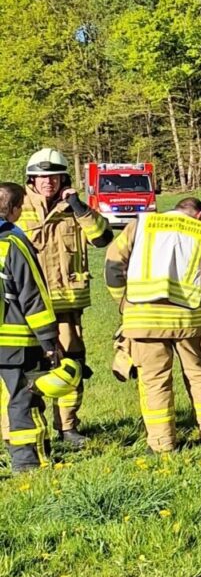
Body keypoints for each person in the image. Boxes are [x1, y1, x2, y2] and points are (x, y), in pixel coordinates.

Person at [104, 197, 201, 452]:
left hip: (143, 321)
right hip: (189, 321)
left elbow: (112, 266)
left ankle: (162, 445)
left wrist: (125, 304)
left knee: (154, 381)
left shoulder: (140, 225)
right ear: (199, 215)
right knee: (199, 376)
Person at [18, 148, 113, 449]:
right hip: (26, 307)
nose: (48, 182)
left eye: (54, 177)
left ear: (64, 179)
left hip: (67, 308)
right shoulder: (17, 207)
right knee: (30, 368)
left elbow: (103, 238)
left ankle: (68, 427)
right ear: (31, 180)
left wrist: (79, 207)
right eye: (42, 177)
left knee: (70, 366)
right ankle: (33, 430)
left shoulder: (75, 209)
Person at [0, 181, 60, 475]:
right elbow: (32, 294)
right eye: (20, 206)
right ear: (12, 209)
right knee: (24, 401)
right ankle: (28, 464)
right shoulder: (12, 242)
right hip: (14, 344)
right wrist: (49, 340)